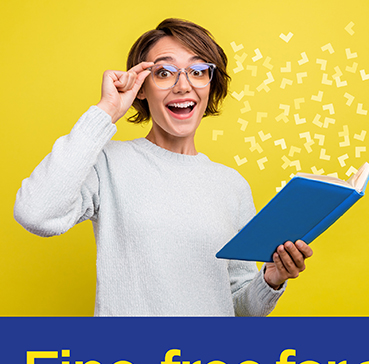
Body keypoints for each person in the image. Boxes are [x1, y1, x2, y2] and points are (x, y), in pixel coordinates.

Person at [14, 18, 313, 316]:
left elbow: (238, 309)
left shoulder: (232, 185)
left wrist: (270, 280)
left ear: (210, 84)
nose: (183, 85)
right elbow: (36, 212)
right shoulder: (109, 164)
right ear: (141, 87)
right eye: (164, 72)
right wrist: (106, 111)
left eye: (198, 71)